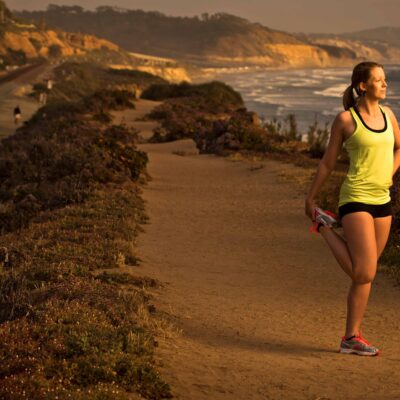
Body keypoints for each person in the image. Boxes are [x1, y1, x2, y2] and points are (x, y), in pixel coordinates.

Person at [305, 61, 400, 356]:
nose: (385, 84)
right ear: (362, 86)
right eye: (378, 80)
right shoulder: (346, 120)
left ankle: (350, 337)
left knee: (364, 274)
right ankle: (322, 225)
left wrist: (389, 174)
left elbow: (399, 148)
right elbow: (328, 162)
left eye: (385, 80)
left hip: (382, 200)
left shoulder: (388, 114)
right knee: (365, 271)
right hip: (355, 198)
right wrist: (311, 199)